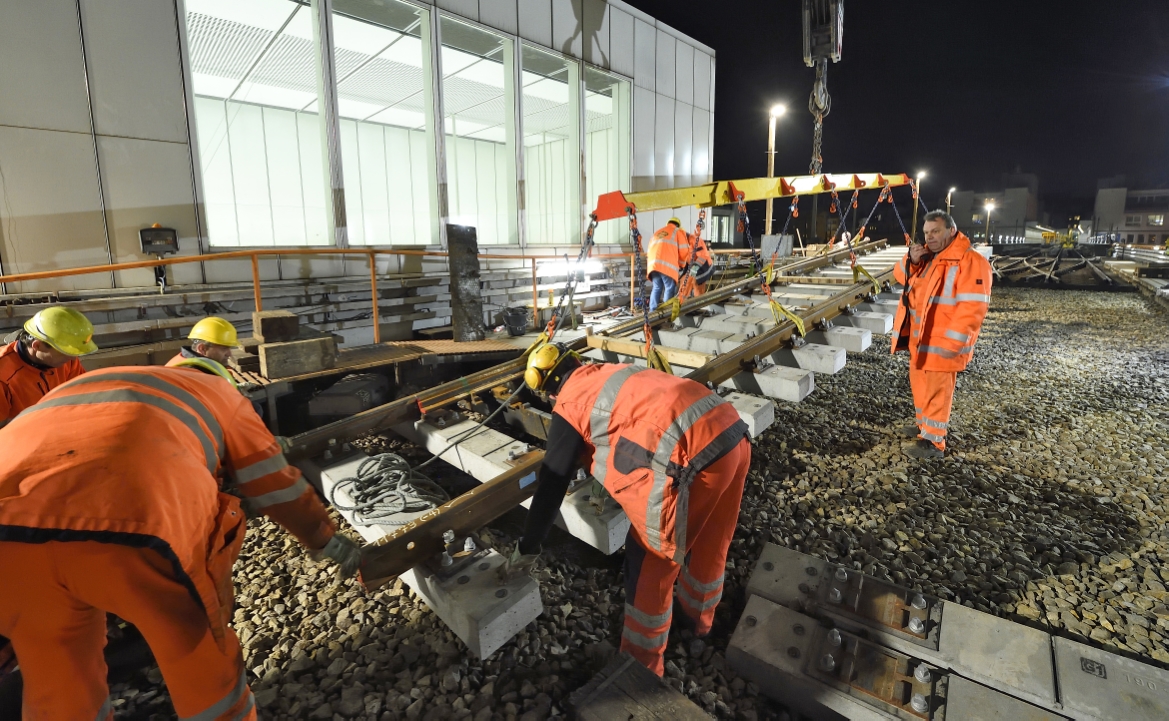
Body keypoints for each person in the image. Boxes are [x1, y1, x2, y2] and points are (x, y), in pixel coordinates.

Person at [0, 365, 361, 720]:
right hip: (134, 528)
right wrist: (322, 538)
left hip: (8, 534)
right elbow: (272, 480)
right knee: (196, 657)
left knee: (58, 677)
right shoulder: (222, 394)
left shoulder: (81, 385)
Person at [501, 344, 750, 675]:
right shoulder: (609, 372)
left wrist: (528, 546)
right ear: (574, 361)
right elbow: (628, 427)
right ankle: (699, 623)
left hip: (697, 462)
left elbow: (552, 483)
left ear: (545, 391)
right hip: (733, 435)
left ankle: (641, 665)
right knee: (710, 541)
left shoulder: (569, 403)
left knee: (650, 559)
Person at [892, 210, 992, 459]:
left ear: (951, 230)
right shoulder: (930, 258)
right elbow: (899, 276)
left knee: (937, 390)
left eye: (935, 231)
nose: (930, 237)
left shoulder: (970, 261)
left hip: (942, 342)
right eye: (926, 233)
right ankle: (923, 427)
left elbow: (973, 308)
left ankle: (933, 442)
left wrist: (953, 342)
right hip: (920, 340)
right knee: (921, 386)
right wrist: (911, 261)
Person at [0, 306, 97, 427]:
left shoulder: (67, 362)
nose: (73, 358)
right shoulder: (4, 378)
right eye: (65, 352)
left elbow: (85, 396)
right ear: (37, 345)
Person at [647, 217, 691, 309]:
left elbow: (649, 250)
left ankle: (652, 312)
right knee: (669, 288)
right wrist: (681, 265)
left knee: (657, 287)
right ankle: (665, 313)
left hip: (653, 266)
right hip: (667, 266)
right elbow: (684, 251)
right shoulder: (678, 231)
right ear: (678, 225)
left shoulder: (658, 232)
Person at [168, 316, 239, 369]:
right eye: (224, 348)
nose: (229, 354)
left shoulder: (184, 360)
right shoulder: (197, 374)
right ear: (202, 349)